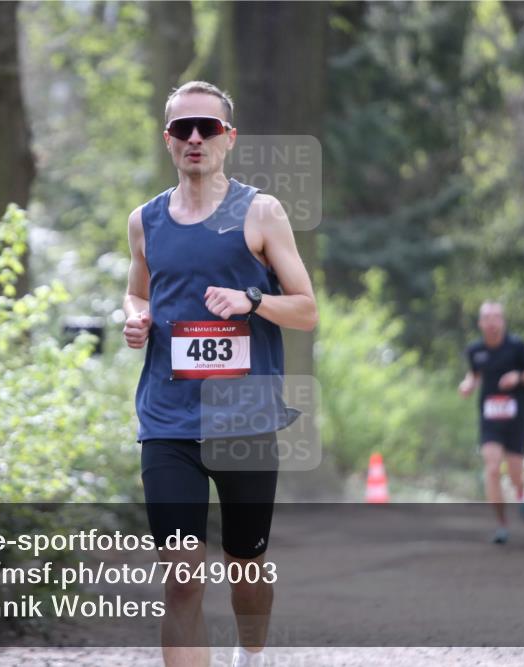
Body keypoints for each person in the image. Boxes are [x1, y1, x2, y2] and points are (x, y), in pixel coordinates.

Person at [123, 80, 317, 667]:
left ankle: (251, 652)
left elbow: (306, 310)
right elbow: (136, 295)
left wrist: (253, 301)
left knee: (245, 563)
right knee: (181, 576)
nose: (196, 138)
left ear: (229, 138)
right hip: (168, 421)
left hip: (245, 421)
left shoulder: (260, 212)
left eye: (208, 127)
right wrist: (135, 319)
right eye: (184, 128)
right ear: (168, 140)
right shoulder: (144, 221)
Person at [458, 301, 524, 544]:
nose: (492, 322)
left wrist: (518, 376)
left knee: (515, 473)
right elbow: (475, 374)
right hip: (490, 419)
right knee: (493, 468)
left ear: (503, 322)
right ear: (480, 323)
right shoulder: (475, 351)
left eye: (496, 317)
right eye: (487, 318)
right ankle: (501, 525)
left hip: (516, 418)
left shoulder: (517, 347)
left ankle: (521, 492)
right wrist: (468, 385)